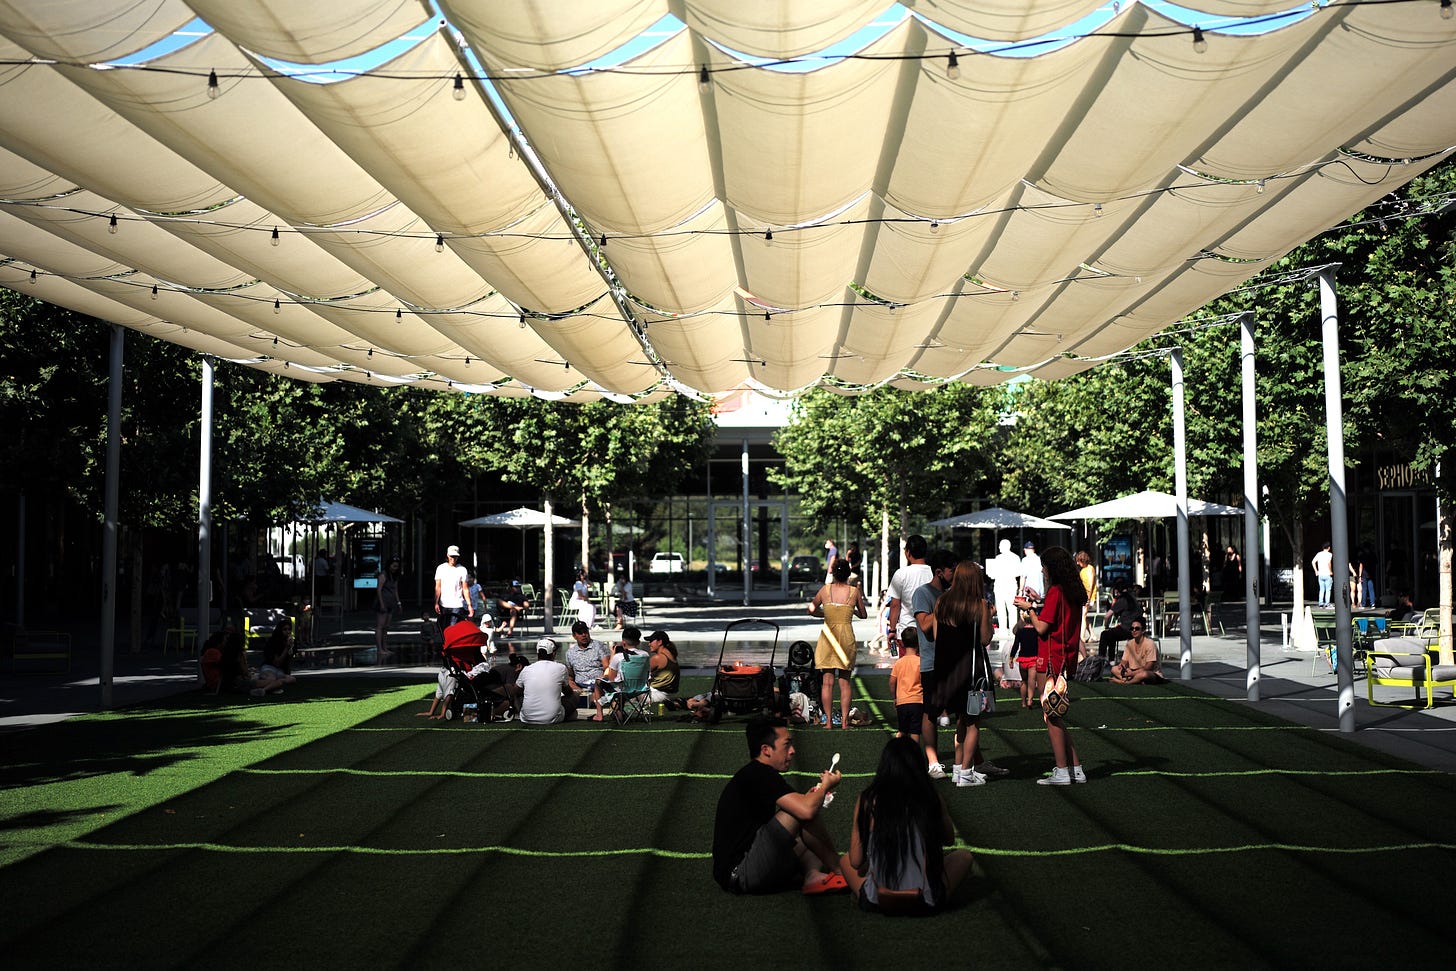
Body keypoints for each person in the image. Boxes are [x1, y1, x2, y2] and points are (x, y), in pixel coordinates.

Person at [711, 715, 845, 895]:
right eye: (787, 745)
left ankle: (812, 875)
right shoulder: (760, 774)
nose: (792, 751)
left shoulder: (757, 773)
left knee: (806, 829)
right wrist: (825, 787)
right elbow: (804, 811)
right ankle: (840, 870)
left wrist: (817, 794)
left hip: (748, 861)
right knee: (803, 812)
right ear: (766, 750)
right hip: (739, 873)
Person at [840, 736, 973, 914]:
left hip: (878, 899)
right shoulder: (930, 797)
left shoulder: (867, 799)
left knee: (844, 860)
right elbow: (949, 840)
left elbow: (856, 861)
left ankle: (872, 889)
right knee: (964, 856)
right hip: (924, 901)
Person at [930, 560, 1006, 787]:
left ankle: (958, 768)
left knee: (961, 721)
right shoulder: (979, 604)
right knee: (972, 722)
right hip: (971, 672)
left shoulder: (941, 602)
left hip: (945, 670)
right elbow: (985, 639)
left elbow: (935, 635)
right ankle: (965, 773)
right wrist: (990, 616)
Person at [1016, 546, 1088, 786]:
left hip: (1050, 659)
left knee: (1050, 715)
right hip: (1064, 658)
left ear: (1052, 568)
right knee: (1055, 714)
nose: (1043, 571)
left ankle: (1061, 770)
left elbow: (1042, 628)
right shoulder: (1072, 591)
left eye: (1044, 567)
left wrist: (1029, 611)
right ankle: (1074, 768)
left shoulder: (1057, 591)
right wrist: (1037, 605)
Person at [912, 549, 957, 778]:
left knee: (966, 713)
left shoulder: (953, 593)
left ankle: (969, 762)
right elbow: (925, 626)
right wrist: (942, 604)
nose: (955, 575)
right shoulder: (923, 594)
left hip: (956, 662)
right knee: (930, 713)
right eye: (952, 571)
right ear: (939, 572)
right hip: (932, 663)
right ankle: (933, 762)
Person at [808, 558, 866, 729]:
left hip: (828, 638)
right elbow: (863, 614)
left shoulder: (825, 590)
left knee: (827, 682)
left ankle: (827, 722)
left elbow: (811, 609)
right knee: (845, 682)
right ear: (848, 573)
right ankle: (844, 722)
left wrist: (825, 614)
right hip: (846, 639)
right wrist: (850, 610)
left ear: (833, 572)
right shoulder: (854, 592)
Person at [885, 534, 931, 655]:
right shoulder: (934, 573)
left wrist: (892, 630)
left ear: (908, 552)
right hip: (929, 631)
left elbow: (895, 605)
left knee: (907, 670)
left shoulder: (901, 574)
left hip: (906, 633)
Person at [590, 625, 647, 721]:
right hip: (640, 689)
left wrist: (612, 655)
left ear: (623, 642)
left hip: (623, 689)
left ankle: (599, 715)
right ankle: (618, 710)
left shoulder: (618, 657)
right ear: (638, 642)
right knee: (623, 684)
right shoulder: (645, 655)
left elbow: (611, 678)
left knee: (598, 682)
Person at [518, 637, 578, 724]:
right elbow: (568, 692)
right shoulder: (560, 668)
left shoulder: (526, 669)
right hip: (552, 718)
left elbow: (516, 690)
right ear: (553, 653)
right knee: (575, 696)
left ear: (538, 653)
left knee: (518, 696)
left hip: (526, 718)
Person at [889, 628, 923, 744]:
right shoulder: (920, 662)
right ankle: (914, 754)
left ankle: (897, 750)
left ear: (902, 642)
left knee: (902, 729)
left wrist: (894, 697)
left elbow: (892, 682)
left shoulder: (899, 663)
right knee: (915, 731)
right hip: (917, 701)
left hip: (902, 702)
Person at [986, 539, 1023, 643]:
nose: (999, 548)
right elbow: (1018, 572)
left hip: (1002, 585)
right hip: (1009, 585)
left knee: (1003, 609)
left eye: (1000, 546)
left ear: (1005, 546)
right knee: (1011, 609)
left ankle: (1003, 630)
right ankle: (1012, 630)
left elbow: (993, 574)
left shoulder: (998, 558)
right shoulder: (1015, 558)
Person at [565, 620, 611, 701]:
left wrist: (600, 681)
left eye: (585, 632)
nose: (584, 635)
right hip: (580, 686)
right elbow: (570, 676)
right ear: (574, 636)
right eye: (580, 633)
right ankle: (587, 697)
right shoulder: (570, 653)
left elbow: (607, 668)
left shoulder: (599, 646)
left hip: (598, 684)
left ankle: (592, 697)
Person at [1098, 582, 1143, 661]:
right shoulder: (1133, 597)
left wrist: (1106, 626)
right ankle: (1111, 660)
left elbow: (1107, 616)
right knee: (1112, 634)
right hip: (1138, 629)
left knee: (1105, 634)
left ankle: (1101, 660)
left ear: (1117, 592)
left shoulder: (1122, 600)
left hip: (1127, 630)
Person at [433, 545, 472, 632]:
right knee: (444, 628)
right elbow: (438, 587)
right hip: (444, 603)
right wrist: (436, 602)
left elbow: (465, 588)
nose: (453, 559)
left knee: (453, 628)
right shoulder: (441, 568)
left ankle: (451, 644)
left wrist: (469, 605)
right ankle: (446, 644)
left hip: (457, 604)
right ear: (447, 555)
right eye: (451, 556)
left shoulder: (462, 569)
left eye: (455, 556)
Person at [375, 556, 401, 663]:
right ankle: (380, 649)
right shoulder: (383, 575)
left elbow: (395, 590)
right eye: (393, 566)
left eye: (397, 566)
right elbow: (379, 590)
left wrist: (398, 603)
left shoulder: (394, 576)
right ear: (389, 565)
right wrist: (381, 604)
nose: (395, 568)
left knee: (386, 627)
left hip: (391, 603)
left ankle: (385, 648)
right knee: (380, 626)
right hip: (383, 603)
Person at [260, 619, 298, 687]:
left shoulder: (291, 642)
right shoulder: (273, 642)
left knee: (292, 679)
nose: (287, 631)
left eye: (289, 629)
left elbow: (289, 661)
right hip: (270, 667)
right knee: (272, 679)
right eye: (285, 629)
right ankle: (267, 687)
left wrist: (290, 648)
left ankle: (275, 685)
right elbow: (277, 663)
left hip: (280, 671)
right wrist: (286, 648)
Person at [646, 629, 680, 705]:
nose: (649, 644)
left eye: (651, 641)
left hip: (656, 695)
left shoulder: (657, 658)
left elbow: (640, 676)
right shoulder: (671, 655)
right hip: (669, 695)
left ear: (660, 642)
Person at [1075, 550, 1096, 648]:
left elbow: (1091, 584)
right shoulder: (1082, 571)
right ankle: (1092, 634)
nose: (1077, 563)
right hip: (1083, 595)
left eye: (1079, 561)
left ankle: (1082, 637)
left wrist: (1088, 597)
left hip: (1088, 596)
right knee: (1084, 615)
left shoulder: (1090, 569)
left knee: (1083, 615)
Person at [1312, 542, 1334, 607]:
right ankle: (1327, 603)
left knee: (1321, 589)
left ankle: (1320, 603)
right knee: (1328, 589)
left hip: (1320, 574)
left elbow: (1313, 562)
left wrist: (1316, 571)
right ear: (1329, 548)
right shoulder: (1330, 554)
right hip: (1327, 574)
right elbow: (1329, 563)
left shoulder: (1319, 554)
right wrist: (1331, 571)